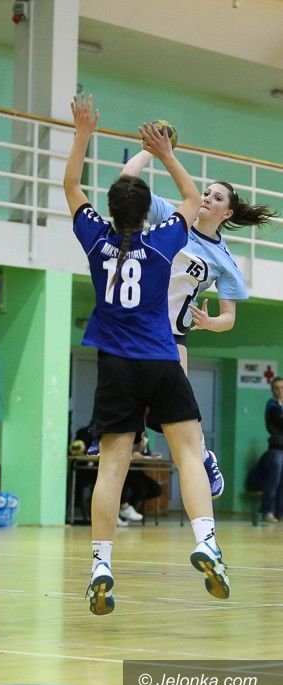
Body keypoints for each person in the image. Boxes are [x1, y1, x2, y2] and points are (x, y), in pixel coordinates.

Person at [63, 94, 230, 615]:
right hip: (161, 360)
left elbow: (71, 186)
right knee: (189, 453)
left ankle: (101, 565)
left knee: (111, 468)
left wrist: (83, 134)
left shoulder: (95, 239)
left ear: (110, 211)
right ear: (145, 211)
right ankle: (206, 542)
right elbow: (191, 197)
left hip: (115, 367)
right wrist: (165, 153)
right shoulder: (162, 242)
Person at [121, 144, 278, 499]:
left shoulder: (224, 261)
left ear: (228, 212)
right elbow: (126, 182)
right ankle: (105, 431)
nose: (207, 198)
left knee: (178, 407)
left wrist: (210, 322)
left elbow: (229, 318)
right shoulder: (174, 217)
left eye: (217, 197)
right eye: (206, 192)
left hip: (174, 333)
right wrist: (148, 151)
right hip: (139, 323)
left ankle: (205, 457)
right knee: (124, 385)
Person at [260, 377, 283, 522]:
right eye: (277, 387)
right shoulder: (272, 404)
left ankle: (279, 512)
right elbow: (278, 421)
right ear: (272, 390)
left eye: (282, 387)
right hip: (276, 448)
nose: (280, 390)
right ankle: (267, 511)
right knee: (273, 480)